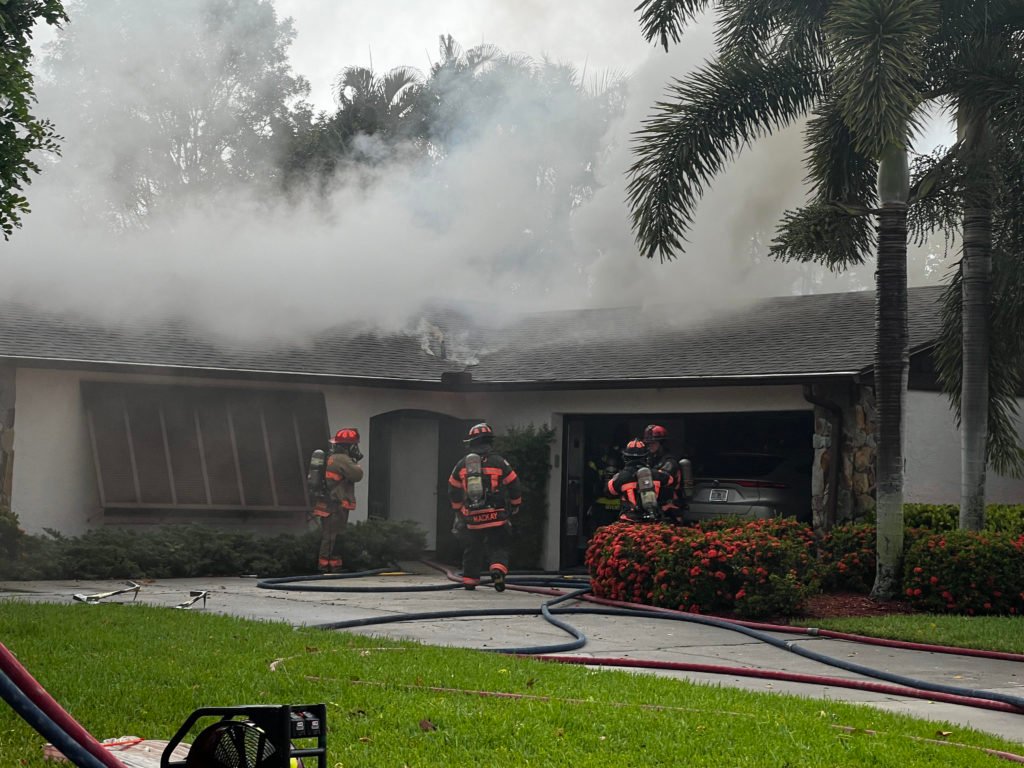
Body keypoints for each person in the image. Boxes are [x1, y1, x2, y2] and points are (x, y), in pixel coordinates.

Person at [447, 422, 522, 592]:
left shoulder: (462, 464)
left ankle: (470, 580)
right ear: (490, 441)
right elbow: (514, 484)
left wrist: (458, 509)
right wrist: (515, 504)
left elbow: (453, 488)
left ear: (471, 442)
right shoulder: (499, 462)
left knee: (473, 547)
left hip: (472, 516)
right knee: (499, 544)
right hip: (496, 515)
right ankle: (497, 569)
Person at [313, 427, 364, 574]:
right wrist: (355, 461)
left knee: (334, 536)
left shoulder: (332, 457)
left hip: (329, 502)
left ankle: (334, 566)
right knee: (332, 537)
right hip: (335, 504)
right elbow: (357, 475)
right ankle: (325, 567)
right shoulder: (342, 459)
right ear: (350, 446)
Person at [607, 439, 675, 523]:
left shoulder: (621, 477)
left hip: (629, 522)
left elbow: (609, 491)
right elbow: (670, 480)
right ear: (646, 457)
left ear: (625, 457)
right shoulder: (656, 474)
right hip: (653, 522)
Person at [643, 424, 693, 522]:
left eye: (653, 443)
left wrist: (646, 472)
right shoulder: (650, 460)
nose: (650, 446)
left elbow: (665, 478)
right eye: (648, 443)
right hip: (656, 507)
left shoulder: (670, 461)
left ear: (661, 443)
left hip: (670, 509)